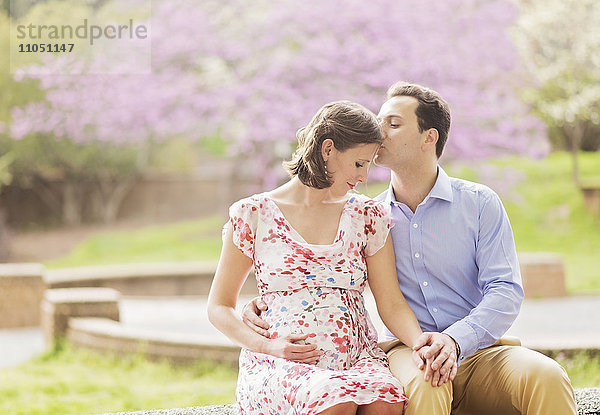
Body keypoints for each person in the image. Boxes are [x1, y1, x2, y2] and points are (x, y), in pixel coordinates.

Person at [243, 82, 577, 415]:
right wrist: (267, 303)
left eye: (393, 123)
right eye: (379, 120)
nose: (379, 130)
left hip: (480, 351)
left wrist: (455, 340)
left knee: (547, 376)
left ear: (428, 138)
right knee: (426, 385)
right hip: (409, 351)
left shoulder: (479, 203)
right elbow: (321, 272)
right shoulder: (367, 217)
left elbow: (505, 291)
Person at [208, 100, 436, 415]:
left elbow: (392, 304)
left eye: (369, 164)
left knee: (386, 398)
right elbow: (219, 307)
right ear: (327, 149)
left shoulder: (368, 215)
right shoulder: (254, 213)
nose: (363, 176)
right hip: (282, 364)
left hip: (358, 360)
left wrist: (420, 344)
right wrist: (269, 346)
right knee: (335, 400)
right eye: (358, 163)